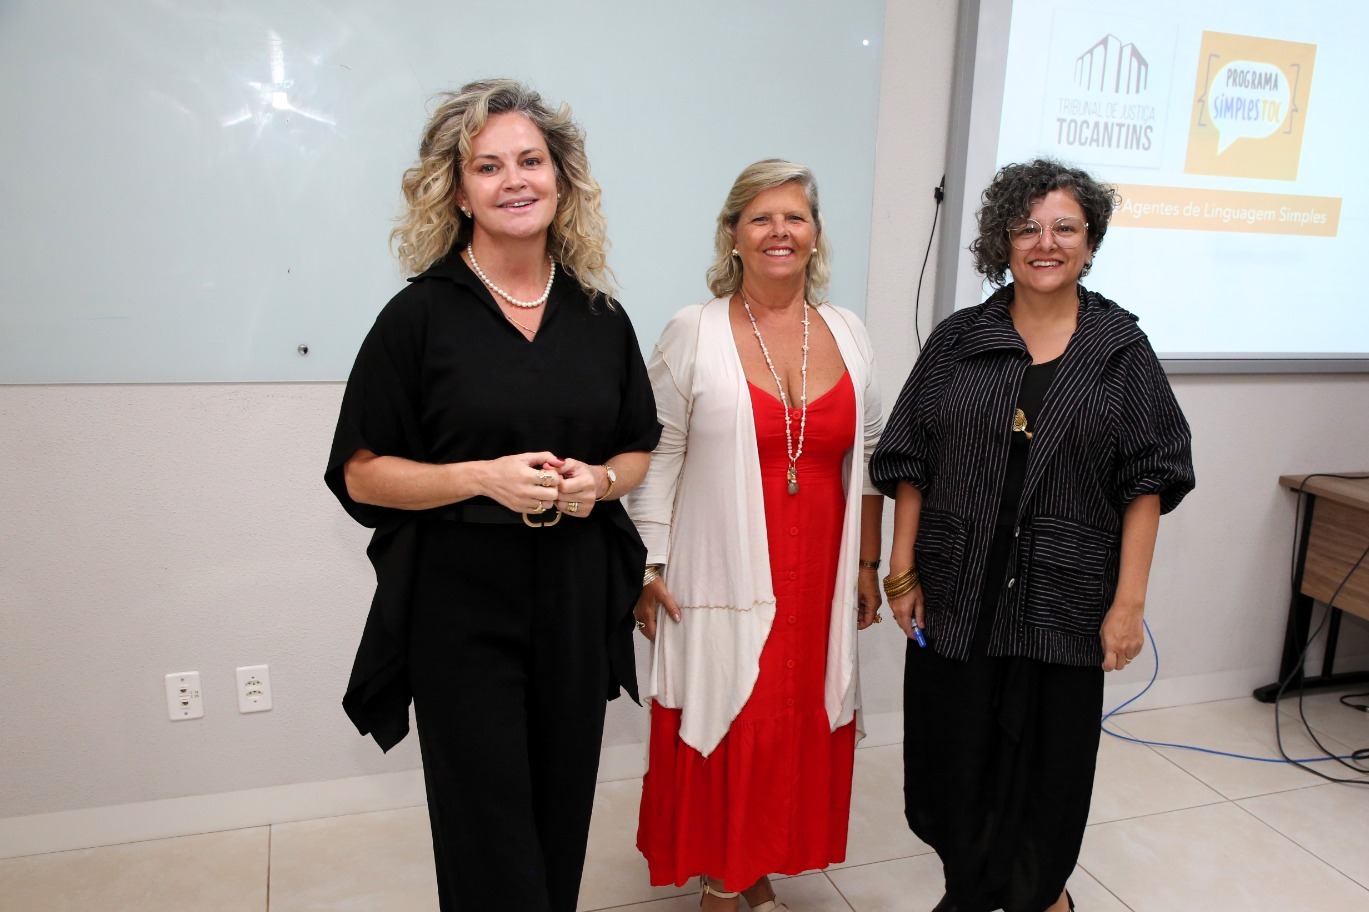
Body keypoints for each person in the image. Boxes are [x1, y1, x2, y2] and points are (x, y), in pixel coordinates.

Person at [324, 79, 660, 912]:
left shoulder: (599, 315)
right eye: (488, 166)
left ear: (561, 177)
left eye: (530, 161)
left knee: (560, 814)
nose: (514, 180)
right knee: (486, 829)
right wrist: (481, 477)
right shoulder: (419, 318)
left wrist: (602, 482)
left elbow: (635, 445)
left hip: (577, 593)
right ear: (458, 188)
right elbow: (361, 471)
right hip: (460, 601)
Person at [870, 158, 1195, 912]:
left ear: (1089, 241)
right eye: (1027, 227)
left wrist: (1128, 604)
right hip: (957, 592)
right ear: (1002, 241)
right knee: (951, 761)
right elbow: (908, 459)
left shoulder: (1119, 351)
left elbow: (1149, 480)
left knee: (1046, 769)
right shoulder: (959, 340)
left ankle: (1041, 895)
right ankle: (967, 884)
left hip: (1066, 600)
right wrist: (900, 567)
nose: (1044, 243)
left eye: (1064, 228)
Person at [627, 160, 885, 911]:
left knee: (791, 727)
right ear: (733, 235)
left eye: (794, 217)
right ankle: (724, 879)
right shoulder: (692, 330)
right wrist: (648, 563)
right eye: (761, 218)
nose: (780, 232)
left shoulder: (848, 331)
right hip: (721, 569)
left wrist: (867, 565)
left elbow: (870, 458)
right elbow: (660, 452)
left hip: (820, 578)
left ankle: (752, 863)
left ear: (814, 235)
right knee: (730, 715)